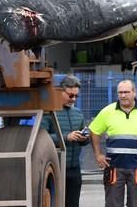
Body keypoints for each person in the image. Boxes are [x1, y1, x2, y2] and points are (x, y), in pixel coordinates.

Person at [89, 79, 137, 207]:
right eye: (120, 92)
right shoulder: (107, 111)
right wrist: (98, 155)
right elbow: (94, 131)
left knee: (136, 204)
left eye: (126, 92)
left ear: (134, 92)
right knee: (113, 204)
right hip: (114, 167)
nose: (123, 95)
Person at [40, 75, 89, 207]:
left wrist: (85, 138)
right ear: (60, 92)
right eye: (70, 95)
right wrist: (66, 137)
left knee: (73, 203)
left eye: (76, 96)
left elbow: (84, 140)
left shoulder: (78, 113)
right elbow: (41, 137)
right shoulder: (48, 112)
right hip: (54, 168)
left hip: (74, 169)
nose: (73, 99)